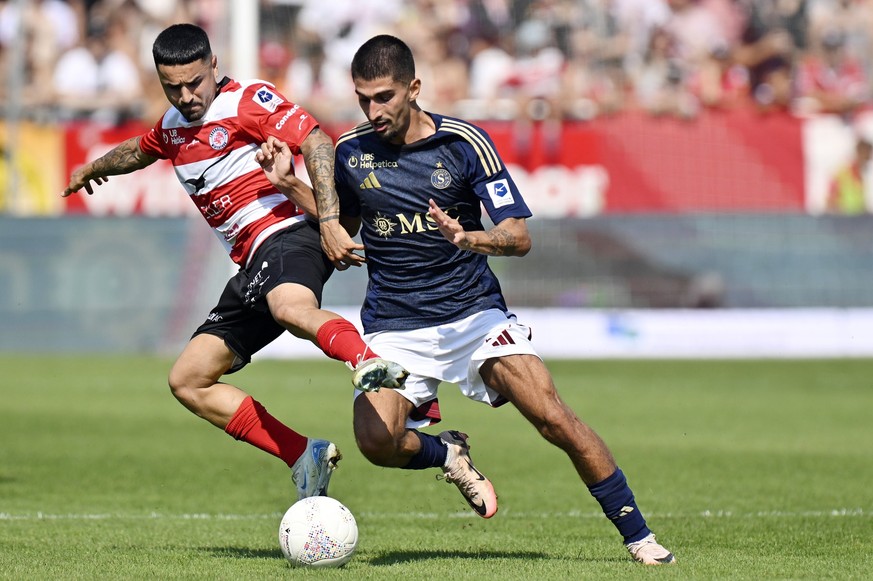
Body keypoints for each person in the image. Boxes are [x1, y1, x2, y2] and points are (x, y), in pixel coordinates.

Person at [258, 34, 676, 566]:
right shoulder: (351, 151)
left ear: (414, 88)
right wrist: (291, 185)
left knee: (553, 418)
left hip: (473, 315)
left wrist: (469, 237)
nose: (373, 110)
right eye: (363, 99)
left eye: (384, 96)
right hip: (394, 323)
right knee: (376, 443)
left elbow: (518, 237)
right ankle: (448, 453)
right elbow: (345, 219)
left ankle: (640, 538)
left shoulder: (464, 143)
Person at [61, 23, 408, 502]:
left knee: (290, 308)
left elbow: (317, 141)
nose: (186, 96)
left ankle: (367, 360)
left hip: (288, 236)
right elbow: (138, 150)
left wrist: (329, 220)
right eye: (173, 87)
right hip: (253, 265)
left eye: (194, 83)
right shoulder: (172, 127)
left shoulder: (247, 101)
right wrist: (92, 168)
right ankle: (303, 454)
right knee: (188, 380)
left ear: (213, 65)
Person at [826, 137, 871, 214]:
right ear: (859, 153)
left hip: (857, 218)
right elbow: (830, 201)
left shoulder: (861, 176)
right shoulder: (842, 173)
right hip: (843, 218)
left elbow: (859, 203)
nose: (869, 159)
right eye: (867, 156)